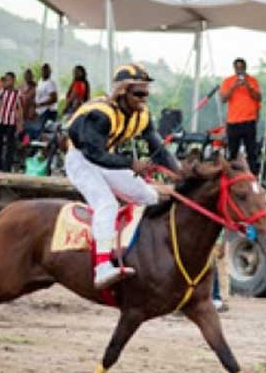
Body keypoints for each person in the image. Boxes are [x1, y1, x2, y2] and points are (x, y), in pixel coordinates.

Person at [65, 64, 180, 290]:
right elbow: (93, 154)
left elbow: (159, 148)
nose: (143, 99)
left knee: (148, 196)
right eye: (138, 93)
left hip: (106, 158)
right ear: (121, 92)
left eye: (145, 93)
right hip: (80, 160)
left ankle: (145, 254)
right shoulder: (100, 114)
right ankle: (102, 268)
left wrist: (180, 175)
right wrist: (131, 164)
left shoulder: (143, 115)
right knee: (106, 203)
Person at [220, 58, 262, 175]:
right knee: (232, 152)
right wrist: (234, 86)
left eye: (242, 67)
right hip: (233, 121)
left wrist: (248, 86)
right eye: (237, 68)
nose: (240, 70)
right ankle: (232, 178)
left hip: (249, 121)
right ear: (234, 68)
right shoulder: (228, 81)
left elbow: (258, 97)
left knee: (251, 152)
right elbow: (223, 99)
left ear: (245, 68)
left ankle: (253, 176)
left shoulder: (252, 80)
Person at [0, 72, 24, 172]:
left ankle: (7, 167)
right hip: (1, 120)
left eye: (9, 80)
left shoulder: (17, 93)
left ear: (13, 81)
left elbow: (20, 108)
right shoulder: (2, 92)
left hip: (11, 121)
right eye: (5, 79)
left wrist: (20, 123)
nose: (7, 82)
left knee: (10, 145)